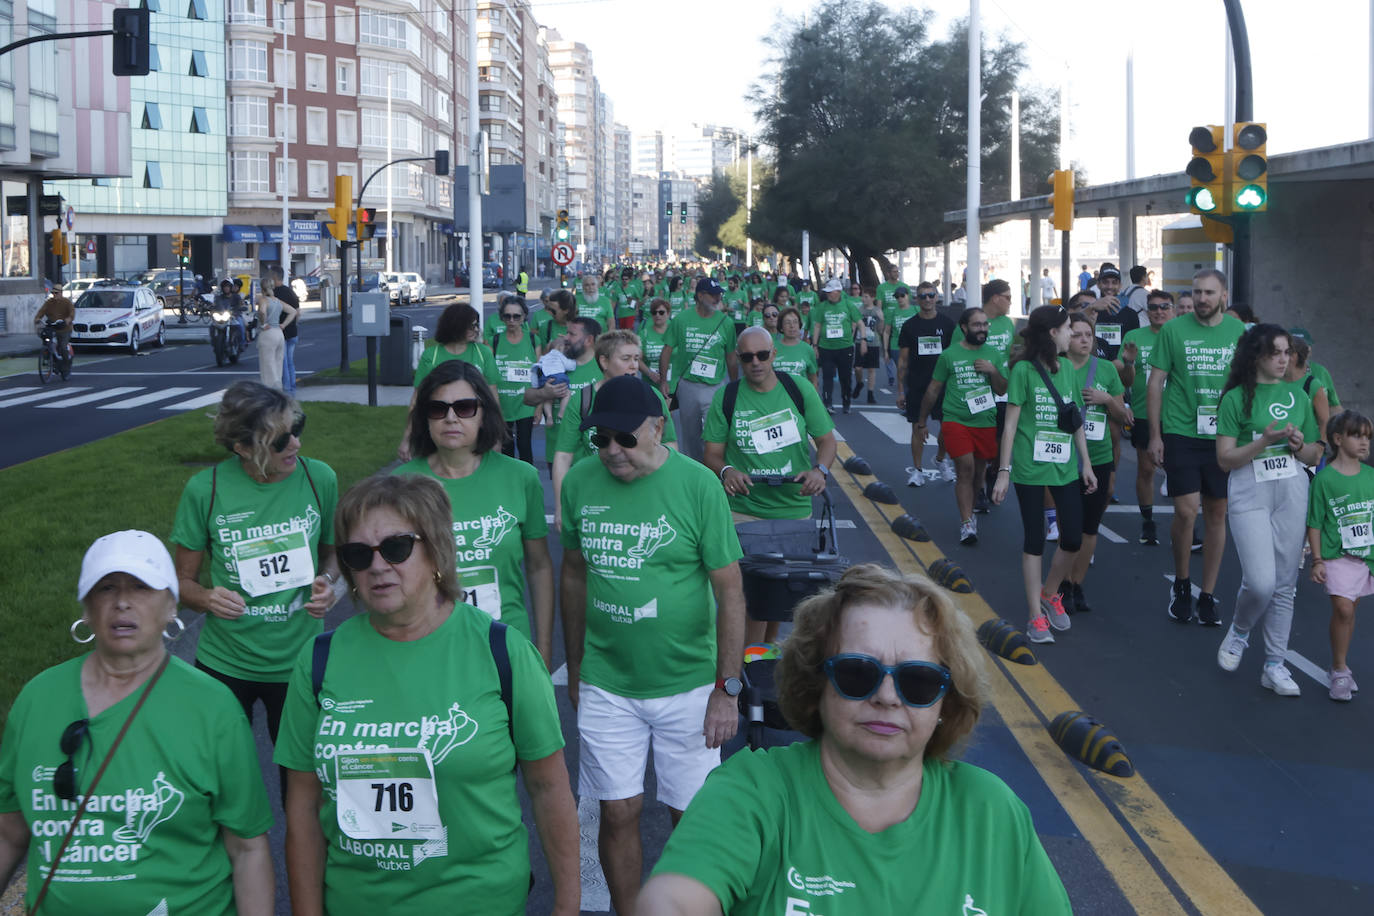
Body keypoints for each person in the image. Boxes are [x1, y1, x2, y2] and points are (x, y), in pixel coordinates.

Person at [638, 564, 1071, 915]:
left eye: (917, 682)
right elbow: (675, 898)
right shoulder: (755, 792)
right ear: (816, 683)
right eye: (856, 674)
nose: (886, 697)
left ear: (946, 703)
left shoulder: (991, 812)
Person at [275, 474, 579, 915]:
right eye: (358, 554)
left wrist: (568, 907)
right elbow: (302, 807)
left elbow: (549, 788)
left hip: (481, 903)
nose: (377, 567)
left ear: (436, 549)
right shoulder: (319, 658)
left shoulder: (502, 651)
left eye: (396, 548)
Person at [0, 530, 274, 915]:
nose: (123, 602)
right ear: (86, 606)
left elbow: (247, 849)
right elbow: (8, 833)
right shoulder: (36, 700)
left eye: (142, 587)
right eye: (106, 587)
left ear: (172, 607)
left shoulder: (213, 709)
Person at [559, 375, 746, 916]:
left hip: (689, 686)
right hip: (607, 683)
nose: (612, 451)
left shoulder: (697, 485)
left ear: (658, 428)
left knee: (689, 818)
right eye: (600, 440)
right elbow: (573, 576)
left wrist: (726, 689)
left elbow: (730, 591)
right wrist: (576, 668)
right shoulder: (579, 485)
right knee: (618, 812)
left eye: (623, 437)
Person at [171, 382, 339, 765]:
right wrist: (207, 598)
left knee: (302, 778)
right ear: (242, 448)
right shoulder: (206, 489)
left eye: (297, 429)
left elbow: (333, 555)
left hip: (298, 661)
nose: (295, 444)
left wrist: (328, 583)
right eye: (279, 441)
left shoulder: (320, 479)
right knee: (222, 773)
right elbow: (181, 584)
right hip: (226, 663)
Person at [393, 360, 555, 666]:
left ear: (484, 413)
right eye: (438, 409)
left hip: (505, 648)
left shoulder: (521, 478)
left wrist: (543, 650)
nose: (451, 417)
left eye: (465, 407)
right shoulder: (401, 486)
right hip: (428, 652)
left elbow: (539, 567)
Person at [1214, 325, 1322, 695]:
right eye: (1275, 352)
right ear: (1255, 356)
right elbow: (1226, 459)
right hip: (1249, 487)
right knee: (1260, 581)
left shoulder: (1299, 396)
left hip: (1292, 485)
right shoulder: (1234, 399)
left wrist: (1297, 444)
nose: (1283, 359)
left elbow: (1313, 455)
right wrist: (1263, 441)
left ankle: (1275, 664)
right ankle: (1240, 631)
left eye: (1287, 352)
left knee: (1285, 583)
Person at [1147, 269, 1246, 625]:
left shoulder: (1238, 333)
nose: (1202, 298)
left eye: (1209, 292)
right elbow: (1156, 382)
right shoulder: (1174, 330)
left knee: (1217, 514)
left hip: (1223, 434)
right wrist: (1155, 435)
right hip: (1181, 431)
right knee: (1188, 511)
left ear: (1223, 295)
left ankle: (1207, 594)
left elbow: (1248, 384)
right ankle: (1182, 583)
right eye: (1196, 292)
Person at [992, 306, 1096, 644]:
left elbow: (1073, 419)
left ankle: (1050, 593)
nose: (1072, 334)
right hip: (1028, 467)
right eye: (1068, 328)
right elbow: (1009, 426)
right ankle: (1035, 617)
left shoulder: (1066, 368)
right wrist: (1003, 472)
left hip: (1064, 466)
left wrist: (1087, 464)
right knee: (1035, 538)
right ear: (1052, 332)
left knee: (1072, 539)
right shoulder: (1022, 370)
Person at [703, 325, 837, 523]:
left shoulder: (800, 389)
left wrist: (820, 471)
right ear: (739, 359)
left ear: (773, 354)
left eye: (762, 355)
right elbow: (711, 454)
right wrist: (727, 471)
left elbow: (826, 440)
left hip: (793, 508)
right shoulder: (725, 397)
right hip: (741, 509)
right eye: (748, 357)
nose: (755, 362)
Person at [553, 329, 677, 527]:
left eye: (636, 359)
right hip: (597, 493)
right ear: (604, 362)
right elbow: (563, 455)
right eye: (626, 358)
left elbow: (669, 445)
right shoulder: (583, 399)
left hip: (644, 491)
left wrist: (669, 492)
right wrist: (560, 506)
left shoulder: (652, 396)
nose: (634, 366)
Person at [915, 307, 1007, 545]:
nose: (982, 329)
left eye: (985, 325)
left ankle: (972, 506)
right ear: (964, 328)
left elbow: (1001, 389)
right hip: (956, 420)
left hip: (985, 421)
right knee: (965, 468)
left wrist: (992, 370)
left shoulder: (993, 354)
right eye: (977, 325)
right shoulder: (949, 355)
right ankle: (967, 523)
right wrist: (922, 421)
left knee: (978, 473)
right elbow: (934, 388)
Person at [1061, 315, 1128, 613]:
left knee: (1090, 527)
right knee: (1069, 527)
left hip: (1098, 456)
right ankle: (1060, 581)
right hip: (1063, 457)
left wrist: (1106, 399)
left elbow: (1123, 417)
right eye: (1077, 335)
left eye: (1089, 335)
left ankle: (1076, 584)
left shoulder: (1106, 369)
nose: (1085, 340)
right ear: (1066, 338)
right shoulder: (1054, 368)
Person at [1308, 410, 1374, 702]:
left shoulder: (1371, 476)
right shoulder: (1325, 479)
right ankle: (1339, 669)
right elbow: (1315, 521)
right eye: (1356, 436)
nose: (1364, 443)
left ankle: (1342, 664)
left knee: (1350, 610)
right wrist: (1317, 559)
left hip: (1366, 557)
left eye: (1367, 438)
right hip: (1337, 556)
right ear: (1337, 439)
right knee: (1343, 609)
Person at [399, 303, 500, 460]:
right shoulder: (431, 356)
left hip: (475, 428)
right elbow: (416, 401)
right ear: (455, 326)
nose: (476, 330)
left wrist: (496, 434)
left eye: (476, 325)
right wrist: (407, 438)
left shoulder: (483, 353)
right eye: (470, 326)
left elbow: (493, 397)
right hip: (439, 425)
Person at [659, 277, 739, 462]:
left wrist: (735, 387)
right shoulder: (682, 319)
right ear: (700, 296)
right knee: (691, 434)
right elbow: (667, 350)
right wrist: (664, 381)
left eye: (719, 294)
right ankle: (695, 467)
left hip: (715, 386)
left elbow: (731, 358)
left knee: (715, 432)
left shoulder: (726, 323)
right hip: (689, 385)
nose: (718, 298)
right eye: (713, 295)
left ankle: (717, 468)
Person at [1118, 290, 1174, 545]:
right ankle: (1148, 521)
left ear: (1172, 309)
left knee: (1180, 472)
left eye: (1164, 306)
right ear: (1146, 311)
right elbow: (1125, 380)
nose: (1159, 311)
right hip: (1143, 414)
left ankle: (1187, 525)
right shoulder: (1134, 337)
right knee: (1146, 469)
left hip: (1178, 416)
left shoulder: (1181, 336)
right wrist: (1128, 364)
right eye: (1153, 307)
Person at [897, 281, 957, 488]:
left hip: (943, 386)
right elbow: (903, 361)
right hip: (917, 385)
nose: (927, 299)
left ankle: (940, 460)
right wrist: (900, 391)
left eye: (931, 295)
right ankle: (917, 470)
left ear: (937, 297)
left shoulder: (948, 324)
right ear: (917, 299)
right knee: (917, 428)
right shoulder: (910, 326)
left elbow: (956, 355)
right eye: (923, 296)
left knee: (947, 429)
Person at [490, 296, 538, 464]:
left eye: (516, 316)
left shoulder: (532, 340)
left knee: (525, 446)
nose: (511, 320)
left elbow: (538, 374)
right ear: (502, 317)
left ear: (524, 316)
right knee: (506, 447)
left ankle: (529, 484)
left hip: (526, 402)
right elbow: (489, 376)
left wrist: (539, 407)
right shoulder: (494, 341)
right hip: (502, 403)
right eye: (507, 316)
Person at [811, 278, 864, 414]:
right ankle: (828, 403)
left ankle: (846, 400)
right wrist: (815, 345)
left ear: (839, 292)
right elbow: (817, 326)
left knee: (845, 377)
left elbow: (860, 323)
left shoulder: (848, 305)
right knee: (827, 376)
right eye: (827, 292)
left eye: (831, 292)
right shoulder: (822, 307)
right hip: (826, 347)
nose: (829, 294)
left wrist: (863, 340)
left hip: (845, 347)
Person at [1084, 265, 1138, 360]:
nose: (1110, 287)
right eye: (1105, 282)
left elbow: (1134, 343)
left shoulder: (1131, 314)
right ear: (1098, 285)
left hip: (1122, 367)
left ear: (1120, 286)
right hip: (1094, 364)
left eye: (1114, 283)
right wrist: (1091, 307)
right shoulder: (1090, 311)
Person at [254, 281, 296, 391]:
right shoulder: (278, 301)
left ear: (262, 289)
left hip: (268, 333)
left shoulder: (263, 300)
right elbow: (293, 311)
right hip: (279, 333)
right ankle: (279, 389)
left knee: (268, 365)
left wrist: (263, 324)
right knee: (278, 365)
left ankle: (270, 391)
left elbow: (262, 312)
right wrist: (284, 324)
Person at [271, 266, 302, 396]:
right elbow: (298, 312)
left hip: (281, 332)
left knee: (282, 363)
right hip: (293, 332)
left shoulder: (275, 294)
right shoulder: (290, 292)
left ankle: (287, 391)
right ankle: (292, 389)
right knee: (289, 362)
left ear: (274, 277)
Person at [772, 306, 818, 388]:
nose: (792, 326)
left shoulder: (807, 349)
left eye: (795, 322)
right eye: (787, 322)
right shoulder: (771, 348)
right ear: (781, 327)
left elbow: (813, 379)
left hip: (800, 396)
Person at [852, 289, 884, 403]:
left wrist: (882, 319)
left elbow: (880, 330)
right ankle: (859, 382)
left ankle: (870, 393)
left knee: (871, 369)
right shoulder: (859, 310)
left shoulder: (877, 311)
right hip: (860, 341)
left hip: (873, 342)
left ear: (872, 298)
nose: (863, 299)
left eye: (866, 296)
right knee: (858, 367)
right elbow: (854, 325)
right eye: (863, 297)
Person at [33, 282, 75, 361]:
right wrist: (37, 318)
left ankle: (65, 366)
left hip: (64, 328)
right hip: (52, 327)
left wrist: (68, 319)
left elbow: (72, 312)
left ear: (61, 293)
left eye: (56, 293)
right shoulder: (49, 302)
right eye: (53, 293)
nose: (54, 295)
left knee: (62, 346)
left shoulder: (67, 302)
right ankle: (47, 357)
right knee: (46, 340)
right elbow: (42, 311)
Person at [639, 297, 672, 390]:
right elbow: (637, 359)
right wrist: (649, 373)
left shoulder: (675, 331)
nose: (657, 315)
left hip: (672, 385)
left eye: (661, 312)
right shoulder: (644, 333)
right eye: (654, 312)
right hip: (650, 385)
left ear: (668, 314)